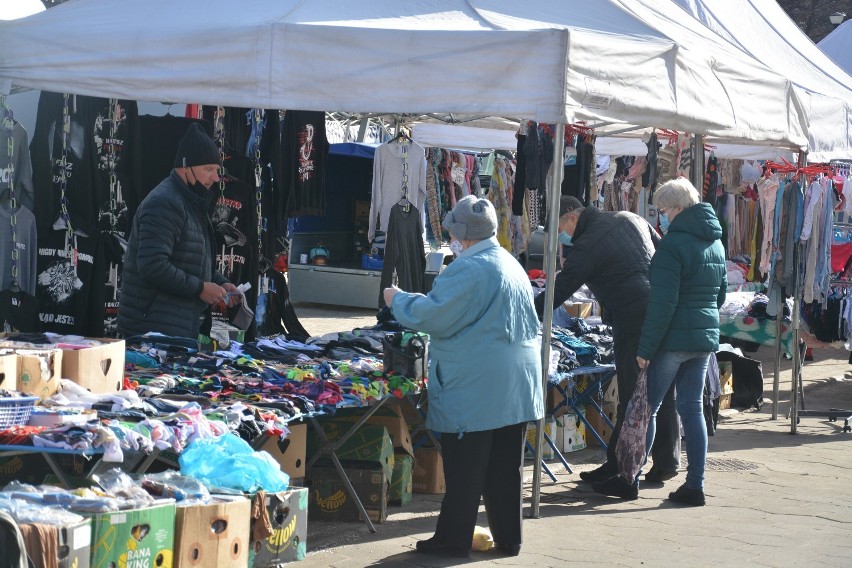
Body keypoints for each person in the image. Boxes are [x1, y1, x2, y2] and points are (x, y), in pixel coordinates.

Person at [384, 195, 543, 559]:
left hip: (479, 385)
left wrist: (398, 300)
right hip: (516, 385)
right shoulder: (507, 261)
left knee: (466, 467)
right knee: (506, 467)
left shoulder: (470, 269)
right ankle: (509, 538)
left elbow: (435, 316)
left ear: (462, 235)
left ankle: (452, 540)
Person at [534, 196, 681, 490]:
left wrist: (527, 315)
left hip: (633, 318)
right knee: (659, 390)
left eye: (560, 228)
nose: (561, 236)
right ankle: (661, 461)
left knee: (633, 394)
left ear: (572, 218)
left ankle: (626, 473)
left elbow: (560, 289)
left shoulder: (588, 243)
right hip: (662, 311)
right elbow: (665, 254)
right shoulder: (631, 218)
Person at [633, 177, 725, 505]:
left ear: (679, 208)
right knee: (692, 409)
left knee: (650, 408)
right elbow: (720, 294)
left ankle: (632, 476)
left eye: (664, 209)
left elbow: (663, 303)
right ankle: (695, 485)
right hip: (703, 339)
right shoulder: (715, 241)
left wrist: (645, 349)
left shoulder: (672, 246)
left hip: (673, 339)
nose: (662, 216)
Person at [118, 123, 238, 339]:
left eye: (217, 171)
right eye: (208, 170)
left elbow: (189, 260)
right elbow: (152, 264)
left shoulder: (190, 201)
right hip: (152, 330)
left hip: (174, 327)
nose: (215, 178)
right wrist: (200, 288)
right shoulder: (164, 202)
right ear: (185, 167)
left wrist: (218, 282)